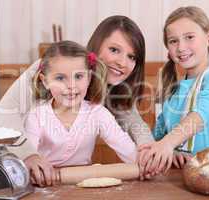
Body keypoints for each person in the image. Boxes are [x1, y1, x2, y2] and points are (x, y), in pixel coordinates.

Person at [0, 16, 154, 181]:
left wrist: (148, 152)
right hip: (28, 169)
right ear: (96, 46)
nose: (122, 62)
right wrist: (28, 154)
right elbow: (5, 113)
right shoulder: (52, 66)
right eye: (114, 50)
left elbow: (134, 123)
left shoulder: (115, 90)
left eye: (132, 57)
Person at [138, 6, 209, 177]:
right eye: (173, 41)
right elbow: (159, 136)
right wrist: (173, 149)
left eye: (189, 37)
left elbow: (200, 115)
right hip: (186, 179)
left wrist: (168, 143)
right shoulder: (172, 91)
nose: (181, 47)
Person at [24, 40, 137, 186]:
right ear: (45, 81)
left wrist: (150, 161)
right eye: (60, 78)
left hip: (83, 186)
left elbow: (129, 151)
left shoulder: (97, 113)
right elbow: (29, 158)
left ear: (89, 78)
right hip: (46, 185)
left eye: (78, 77)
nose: (71, 86)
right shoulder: (36, 116)